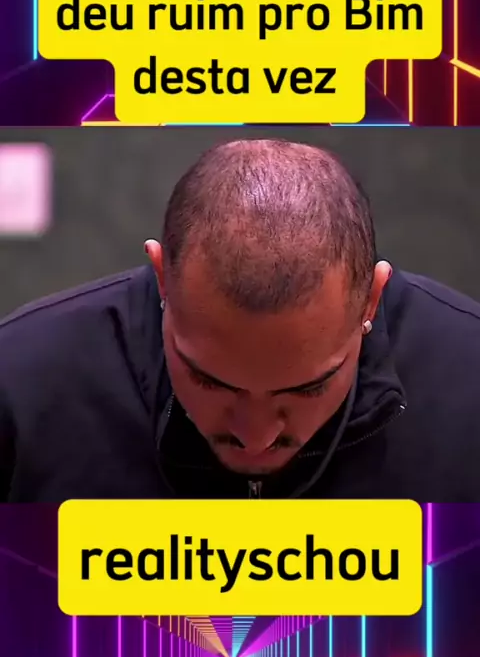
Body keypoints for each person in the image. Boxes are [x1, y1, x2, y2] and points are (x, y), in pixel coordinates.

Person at [0, 138, 479, 502]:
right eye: (210, 382)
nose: (256, 437)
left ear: (371, 301)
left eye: (308, 389)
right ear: (163, 279)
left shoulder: (468, 388)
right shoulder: (21, 388)